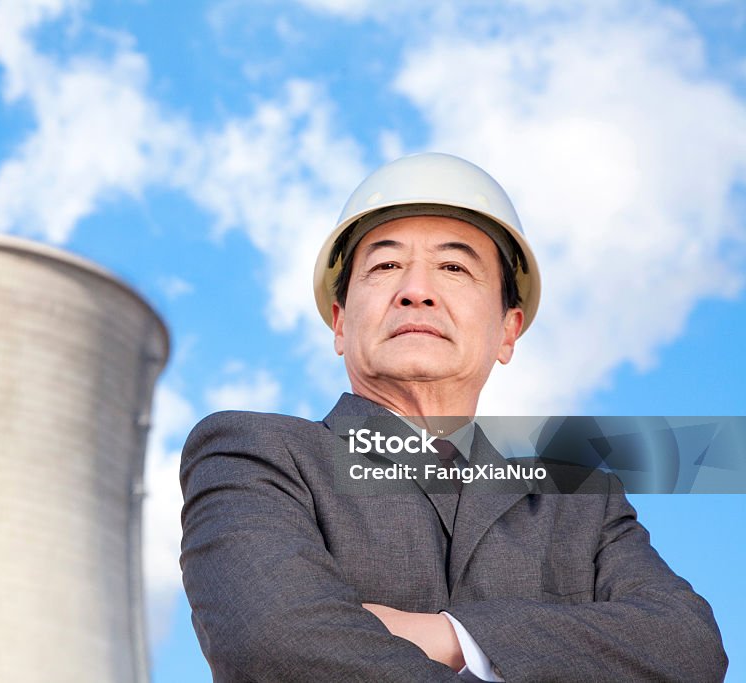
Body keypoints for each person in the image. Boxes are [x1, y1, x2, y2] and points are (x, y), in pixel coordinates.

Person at [179, 153, 727, 682]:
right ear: (340, 324)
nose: (416, 291)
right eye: (387, 265)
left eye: (453, 267)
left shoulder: (580, 503)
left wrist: (450, 636)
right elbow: (275, 646)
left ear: (508, 331)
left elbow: (689, 648)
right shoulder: (252, 454)